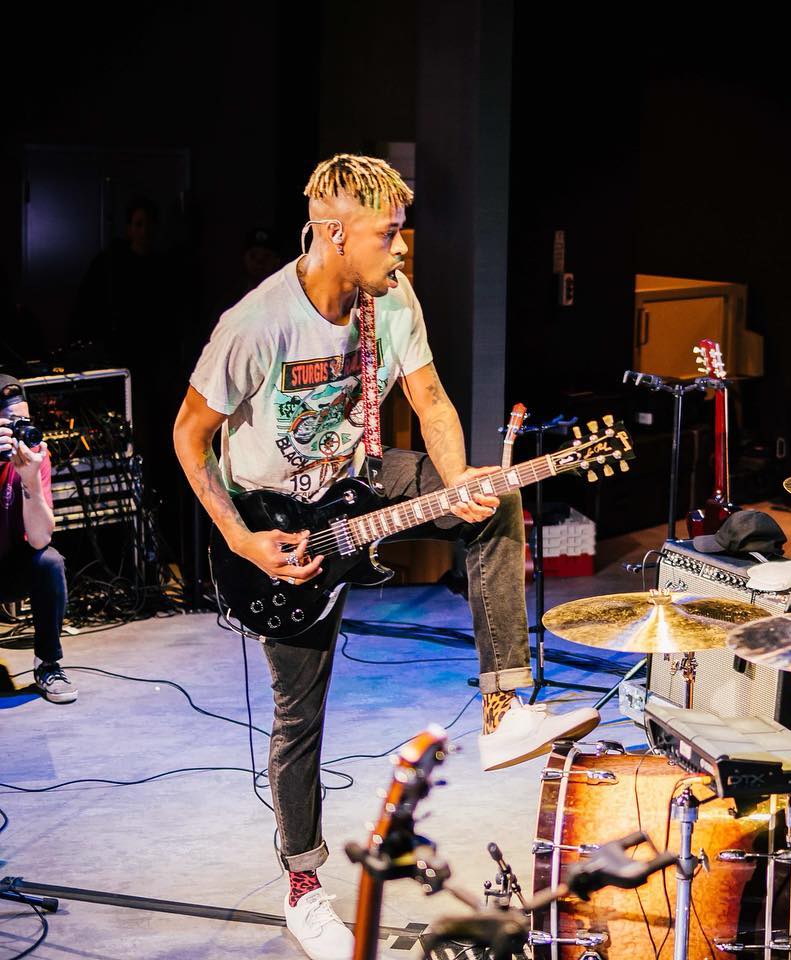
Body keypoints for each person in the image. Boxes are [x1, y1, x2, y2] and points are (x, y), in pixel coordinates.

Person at [173, 155, 597, 960]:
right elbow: (188, 437)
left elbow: (428, 398)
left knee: (496, 496)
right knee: (299, 717)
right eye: (388, 234)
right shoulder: (257, 323)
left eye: (403, 232)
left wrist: (459, 476)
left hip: (359, 484)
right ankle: (303, 888)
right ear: (335, 233)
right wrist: (240, 539)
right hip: (277, 529)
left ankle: (504, 708)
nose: (402, 249)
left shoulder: (391, 298)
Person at [0, 374, 74, 703]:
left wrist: (29, 481)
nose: (20, 432)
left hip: (8, 566)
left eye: (24, 423)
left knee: (49, 563)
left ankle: (48, 664)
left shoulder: (33, 456)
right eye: (10, 425)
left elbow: (40, 539)